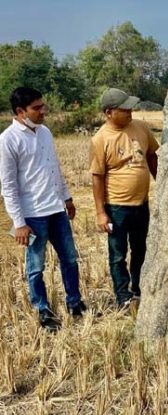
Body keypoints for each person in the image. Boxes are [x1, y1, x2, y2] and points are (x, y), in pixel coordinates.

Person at [0, 87, 87, 331]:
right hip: (32, 215)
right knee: (35, 267)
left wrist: (67, 198)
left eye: (42, 106)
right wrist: (19, 222)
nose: (43, 111)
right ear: (20, 111)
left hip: (56, 209)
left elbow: (54, 168)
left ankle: (75, 303)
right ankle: (43, 310)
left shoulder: (45, 132)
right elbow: (8, 185)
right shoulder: (8, 140)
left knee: (70, 259)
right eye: (36, 108)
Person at [90, 88, 159, 310]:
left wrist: (163, 185)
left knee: (141, 248)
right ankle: (123, 296)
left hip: (142, 203)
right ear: (109, 112)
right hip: (117, 207)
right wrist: (101, 212)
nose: (130, 111)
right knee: (118, 254)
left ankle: (140, 289)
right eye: (124, 108)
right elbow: (97, 177)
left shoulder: (140, 128)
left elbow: (151, 156)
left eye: (130, 107)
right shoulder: (100, 139)